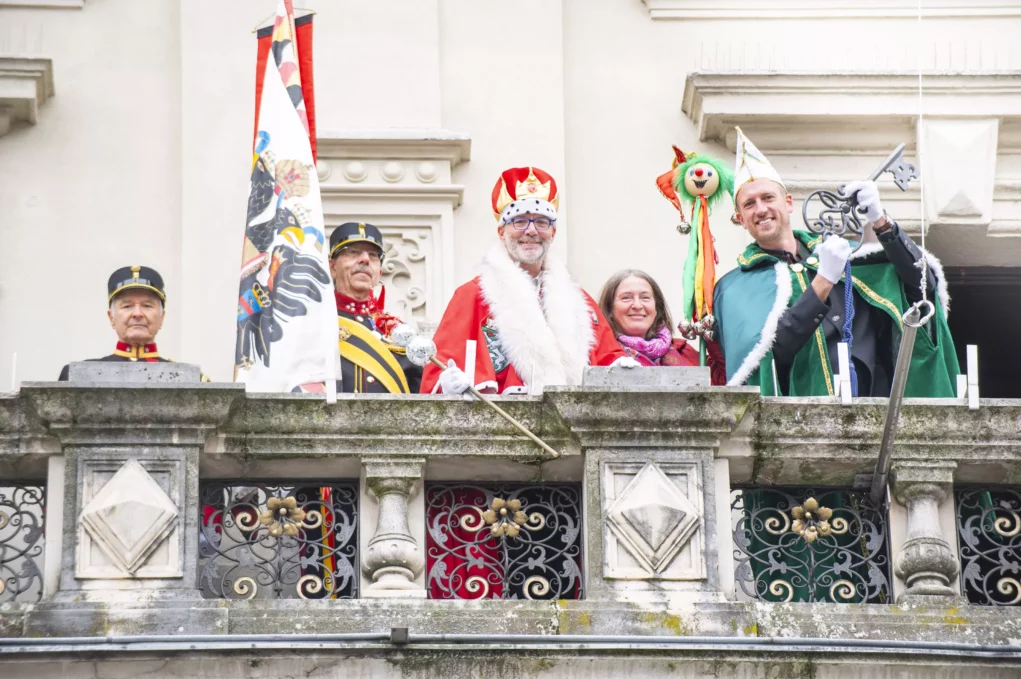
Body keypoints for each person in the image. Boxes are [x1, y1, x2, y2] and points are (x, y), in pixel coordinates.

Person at [713, 128, 959, 397]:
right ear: (740, 218)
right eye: (749, 204)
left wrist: (881, 222)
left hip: (874, 403)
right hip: (799, 416)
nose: (760, 209)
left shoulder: (846, 255)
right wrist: (823, 281)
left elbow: (922, 288)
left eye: (768, 198)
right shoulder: (736, 285)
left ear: (789, 203)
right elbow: (773, 351)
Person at [421, 166, 631, 395]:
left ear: (553, 233)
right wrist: (447, 384)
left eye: (542, 222)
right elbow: (440, 367)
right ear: (502, 232)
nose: (531, 231)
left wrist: (619, 370)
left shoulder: (579, 301)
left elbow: (607, 356)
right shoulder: (472, 295)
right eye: (519, 221)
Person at [314, 221, 422, 394]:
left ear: (379, 273)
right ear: (332, 267)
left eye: (373, 256)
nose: (365, 259)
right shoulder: (313, 325)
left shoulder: (396, 332)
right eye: (353, 252)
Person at [58, 266, 199, 380]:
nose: (137, 314)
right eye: (127, 306)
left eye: (147, 306)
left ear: (162, 317)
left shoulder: (187, 378)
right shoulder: (79, 376)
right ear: (111, 318)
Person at [599, 269, 700, 367]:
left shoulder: (683, 351)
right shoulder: (596, 354)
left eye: (645, 297)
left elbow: (714, 378)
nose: (637, 305)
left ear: (657, 308)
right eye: (626, 298)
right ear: (610, 309)